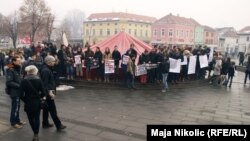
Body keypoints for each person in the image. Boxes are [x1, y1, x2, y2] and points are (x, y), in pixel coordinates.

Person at [20, 65, 47, 141]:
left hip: (28, 102)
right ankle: (36, 134)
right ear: (35, 71)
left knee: (30, 118)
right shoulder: (39, 80)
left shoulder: (23, 80)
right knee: (37, 118)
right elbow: (44, 92)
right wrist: (41, 97)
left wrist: (25, 100)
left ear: (28, 72)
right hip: (37, 102)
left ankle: (34, 132)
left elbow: (20, 94)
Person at [40, 55, 66, 131]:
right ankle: (58, 125)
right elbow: (45, 84)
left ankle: (45, 123)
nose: (54, 63)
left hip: (48, 92)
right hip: (49, 93)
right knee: (53, 109)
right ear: (49, 62)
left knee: (46, 109)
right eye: (53, 61)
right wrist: (48, 94)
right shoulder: (46, 70)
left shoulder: (47, 68)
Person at [5, 56, 26, 128]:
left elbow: (19, 78)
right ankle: (13, 122)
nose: (20, 62)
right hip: (14, 91)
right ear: (13, 61)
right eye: (18, 61)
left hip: (19, 91)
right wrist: (19, 86)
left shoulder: (18, 68)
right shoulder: (10, 69)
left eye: (20, 60)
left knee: (18, 106)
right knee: (15, 107)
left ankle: (18, 120)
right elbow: (9, 82)